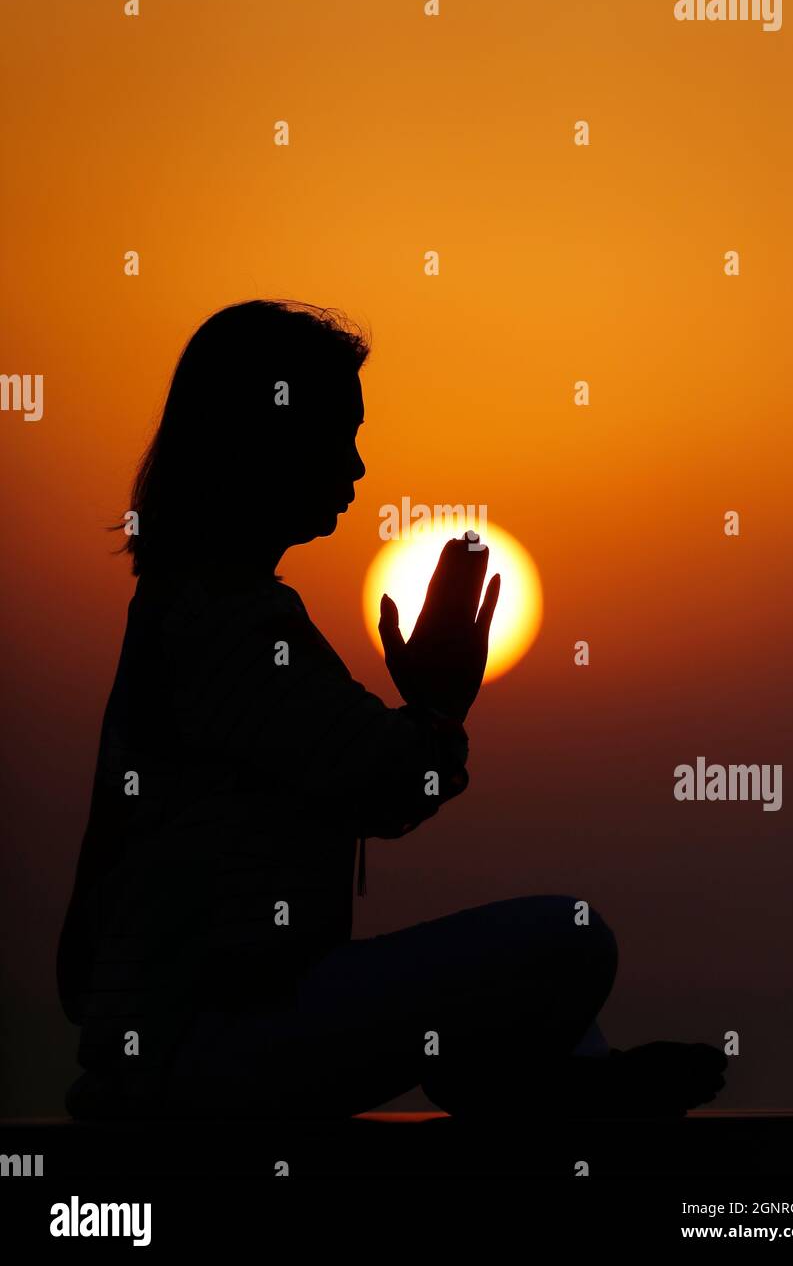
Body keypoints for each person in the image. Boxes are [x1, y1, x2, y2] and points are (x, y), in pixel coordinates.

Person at [56, 299, 726, 1120]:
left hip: (193, 1048)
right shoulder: (226, 623)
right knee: (572, 939)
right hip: (211, 1060)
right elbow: (392, 782)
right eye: (338, 434)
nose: (358, 467)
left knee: (534, 976)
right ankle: (561, 1091)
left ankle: (555, 1085)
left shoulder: (187, 609)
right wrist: (441, 703)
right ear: (262, 441)